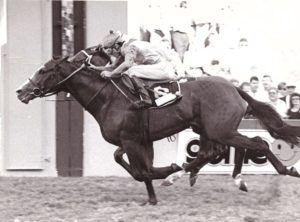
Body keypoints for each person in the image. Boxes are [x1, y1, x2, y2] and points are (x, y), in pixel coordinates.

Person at [90, 30, 182, 109]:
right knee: (129, 71)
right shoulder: (124, 47)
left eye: (110, 51)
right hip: (160, 66)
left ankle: (146, 99)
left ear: (116, 46)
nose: (111, 55)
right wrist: (95, 68)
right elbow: (113, 67)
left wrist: (111, 74)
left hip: (165, 68)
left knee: (130, 71)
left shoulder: (129, 47)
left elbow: (127, 64)